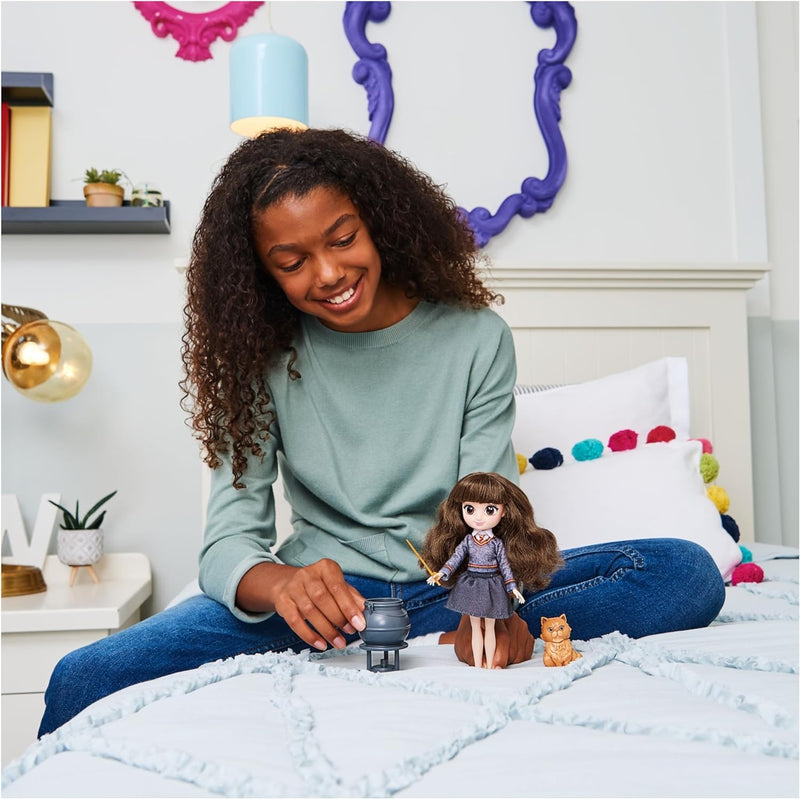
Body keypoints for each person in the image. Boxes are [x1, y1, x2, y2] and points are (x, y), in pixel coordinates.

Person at [37, 128, 725, 737]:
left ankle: (452, 631)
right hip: (324, 606)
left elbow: (489, 499)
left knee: (682, 572)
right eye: (292, 261)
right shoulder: (259, 356)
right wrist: (285, 587)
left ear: (381, 222)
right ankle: (424, 637)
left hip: (456, 585)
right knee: (83, 674)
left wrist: (492, 604)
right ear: (260, 273)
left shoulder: (475, 338)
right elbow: (227, 542)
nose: (329, 273)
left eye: (342, 239)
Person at [423, 472, 562, 668]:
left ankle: (487, 664)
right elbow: (455, 559)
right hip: (471, 584)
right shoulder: (468, 540)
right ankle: (479, 663)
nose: (479, 517)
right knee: (475, 627)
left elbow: (504, 566)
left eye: (489, 510)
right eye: (470, 509)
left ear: (504, 512)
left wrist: (512, 588)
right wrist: (442, 572)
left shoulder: (496, 543)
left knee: (490, 627)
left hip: (492, 585)